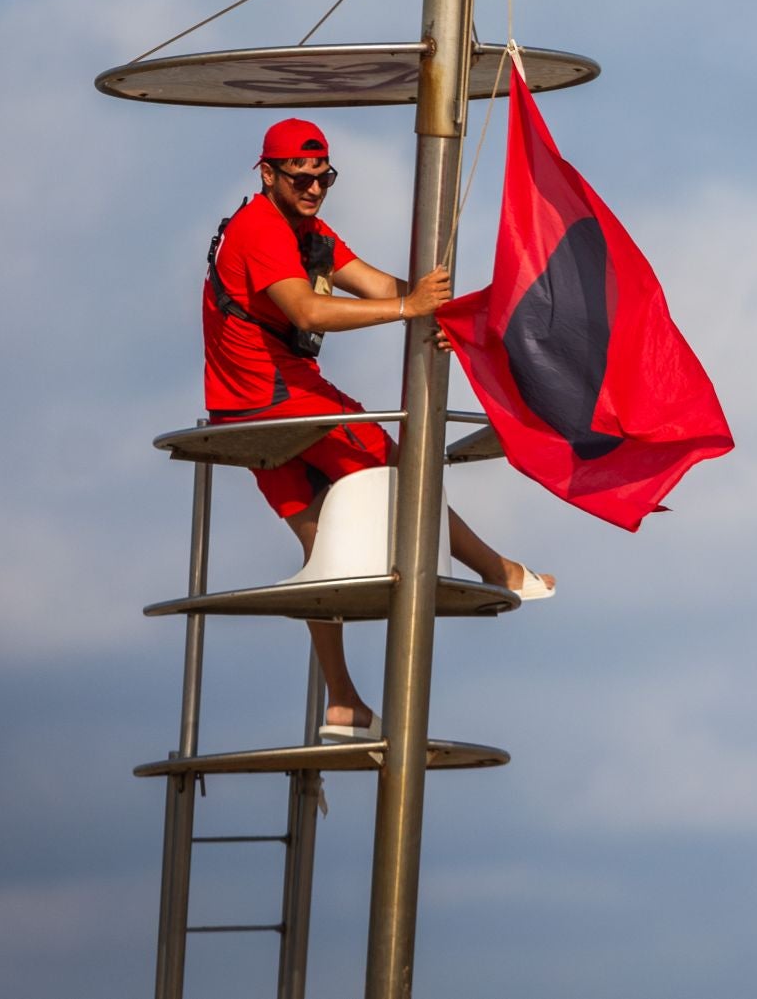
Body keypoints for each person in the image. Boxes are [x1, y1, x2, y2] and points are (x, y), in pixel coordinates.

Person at [204, 117, 553, 742]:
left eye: (323, 178)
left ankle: (343, 704)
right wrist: (407, 309)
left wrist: (436, 308)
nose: (313, 189)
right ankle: (497, 569)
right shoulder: (259, 228)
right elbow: (309, 310)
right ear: (267, 174)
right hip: (279, 400)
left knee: (325, 556)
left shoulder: (306, 230)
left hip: (246, 410)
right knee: (401, 471)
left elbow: (374, 282)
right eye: (301, 178)